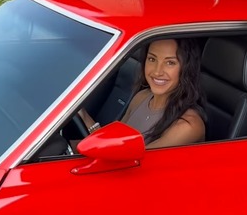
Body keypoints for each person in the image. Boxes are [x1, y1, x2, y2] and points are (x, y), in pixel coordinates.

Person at [78, 38, 206, 148]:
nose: (157, 71)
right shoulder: (142, 97)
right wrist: (82, 115)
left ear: (186, 69)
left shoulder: (188, 125)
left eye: (170, 63)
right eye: (152, 59)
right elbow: (112, 143)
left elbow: (131, 163)